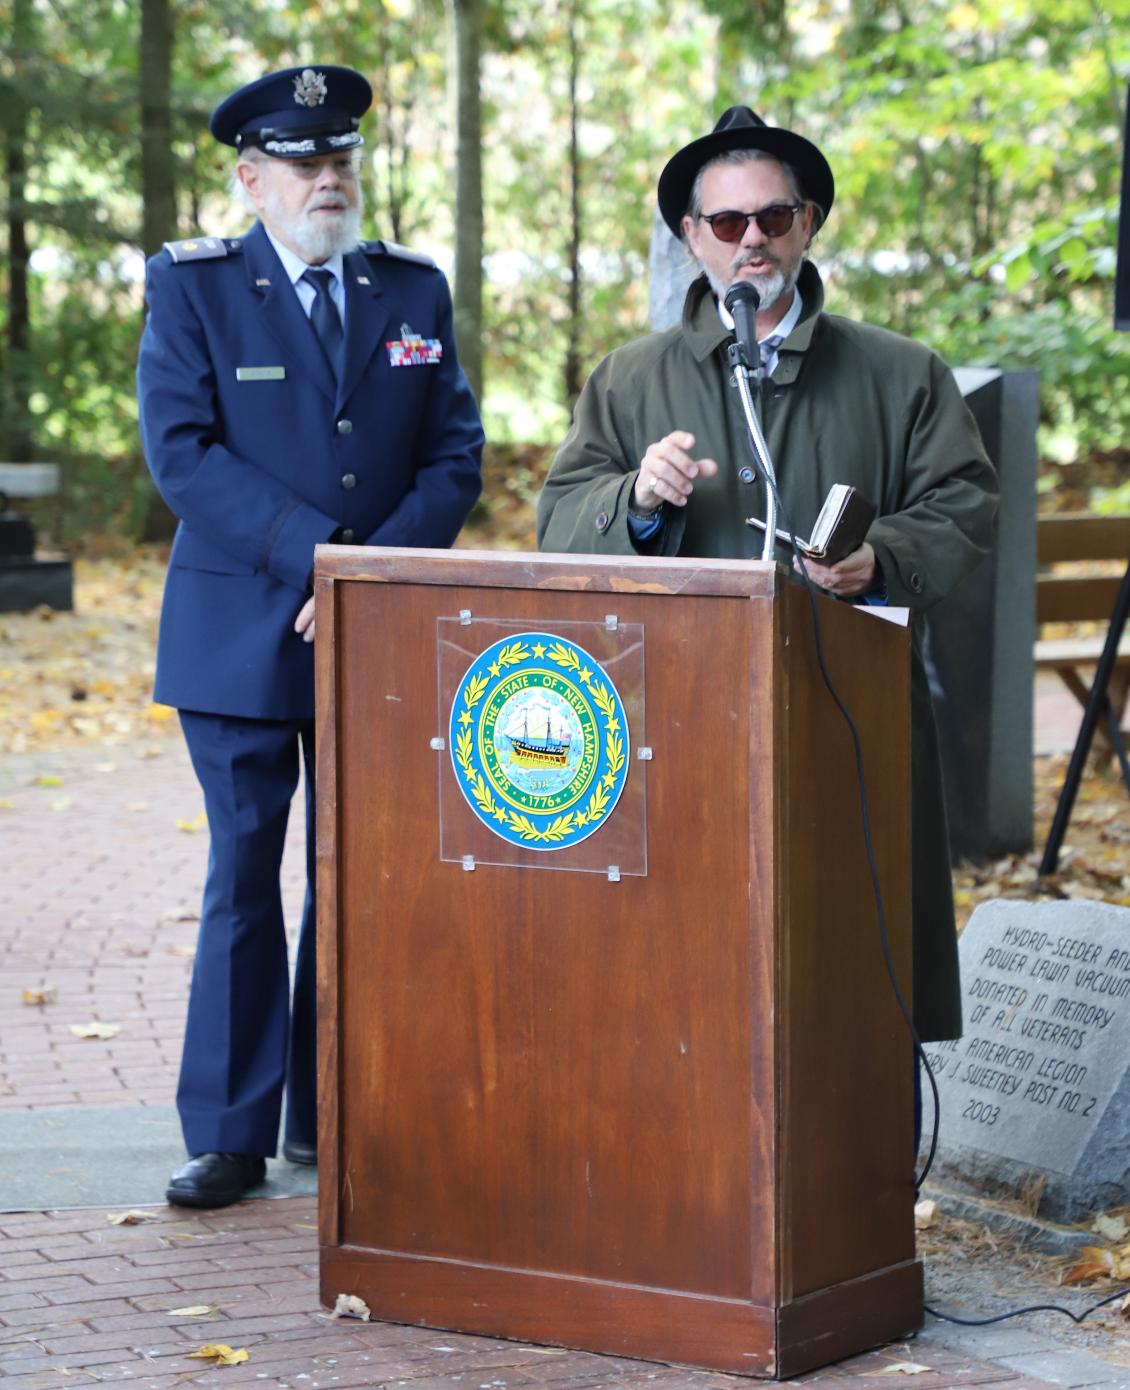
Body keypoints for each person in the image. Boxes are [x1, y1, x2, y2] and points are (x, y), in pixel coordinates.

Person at [537, 106, 997, 1059]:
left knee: (857, 970)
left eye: (774, 218)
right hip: (678, 726)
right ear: (688, 237)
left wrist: (885, 558)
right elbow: (560, 517)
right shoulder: (627, 382)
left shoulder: (900, 372)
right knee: (687, 969)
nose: (752, 241)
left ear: (811, 222)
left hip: (851, 719)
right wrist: (639, 499)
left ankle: (863, 1182)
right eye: (727, 223)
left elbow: (966, 502)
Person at [137, 64, 484, 1208]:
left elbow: (453, 457)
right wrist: (316, 559)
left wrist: (366, 572)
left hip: (372, 631)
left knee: (356, 876)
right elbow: (182, 452)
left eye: (338, 159)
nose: (326, 178)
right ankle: (230, 1133)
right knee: (245, 875)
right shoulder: (194, 289)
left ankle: (332, 1110)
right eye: (300, 161)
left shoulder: (411, 291)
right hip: (240, 632)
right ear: (251, 179)